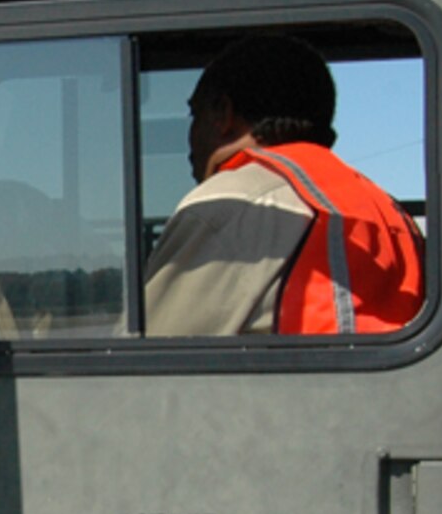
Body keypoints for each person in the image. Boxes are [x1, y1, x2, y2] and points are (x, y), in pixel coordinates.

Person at [143, 34, 424, 337]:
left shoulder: (231, 203)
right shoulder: (387, 209)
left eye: (194, 114)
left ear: (223, 114)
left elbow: (148, 356)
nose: (190, 135)